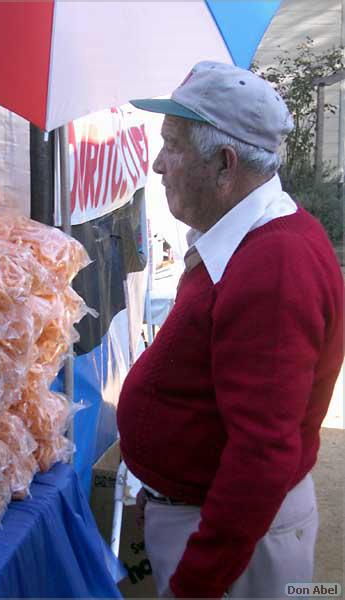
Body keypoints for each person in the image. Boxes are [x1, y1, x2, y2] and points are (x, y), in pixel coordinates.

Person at [117, 61, 344, 599]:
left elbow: (263, 453)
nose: (155, 165)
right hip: (209, 519)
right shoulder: (246, 240)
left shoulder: (273, 266)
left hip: (237, 547)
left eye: (171, 147)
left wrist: (197, 583)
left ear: (225, 164)